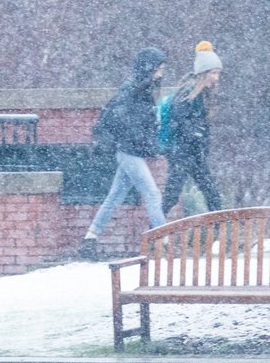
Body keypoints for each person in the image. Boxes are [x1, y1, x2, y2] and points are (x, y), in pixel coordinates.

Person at [79, 47, 168, 259]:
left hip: (130, 150)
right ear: (149, 68)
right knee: (152, 193)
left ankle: (90, 236)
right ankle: (165, 240)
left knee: (115, 196)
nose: (161, 73)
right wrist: (140, 138)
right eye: (159, 69)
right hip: (129, 152)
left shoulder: (140, 90)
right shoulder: (134, 91)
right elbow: (124, 121)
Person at [161, 40, 223, 215]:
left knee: (211, 194)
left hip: (194, 153)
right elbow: (180, 121)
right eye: (213, 73)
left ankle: (220, 233)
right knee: (172, 196)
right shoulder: (187, 94)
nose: (216, 78)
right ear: (203, 73)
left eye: (218, 73)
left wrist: (201, 141)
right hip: (182, 153)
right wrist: (196, 134)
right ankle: (153, 232)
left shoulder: (203, 94)